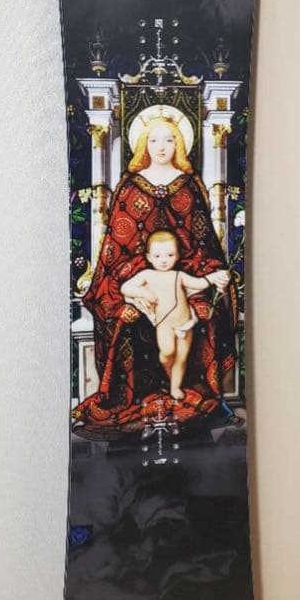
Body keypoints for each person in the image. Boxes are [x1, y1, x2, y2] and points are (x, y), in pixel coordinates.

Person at [74, 115, 238, 431]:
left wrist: (211, 274)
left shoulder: (189, 185)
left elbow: (201, 241)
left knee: (207, 314)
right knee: (125, 318)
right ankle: (135, 398)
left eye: (169, 140)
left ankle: (187, 391)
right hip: (138, 277)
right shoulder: (130, 185)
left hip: (182, 276)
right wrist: (135, 285)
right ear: (143, 145)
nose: (161, 147)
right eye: (154, 140)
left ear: (179, 144)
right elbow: (117, 246)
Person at [120, 229, 230, 401]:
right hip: (164, 324)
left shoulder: (179, 275)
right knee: (167, 352)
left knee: (181, 358)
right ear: (149, 257)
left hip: (186, 323)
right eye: (157, 256)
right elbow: (125, 288)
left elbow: (199, 283)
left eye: (170, 255)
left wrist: (215, 277)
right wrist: (143, 292)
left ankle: (175, 387)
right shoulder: (147, 275)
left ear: (178, 255)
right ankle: (169, 373)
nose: (164, 260)